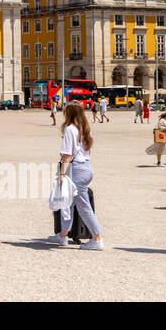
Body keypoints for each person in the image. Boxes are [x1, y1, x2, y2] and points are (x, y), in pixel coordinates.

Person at [43, 102, 104, 250]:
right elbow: (88, 152)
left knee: (83, 207)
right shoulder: (86, 129)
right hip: (86, 168)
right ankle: (63, 235)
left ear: (69, 114)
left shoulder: (70, 130)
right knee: (67, 203)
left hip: (75, 169)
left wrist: (62, 174)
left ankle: (97, 239)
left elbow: (67, 155)